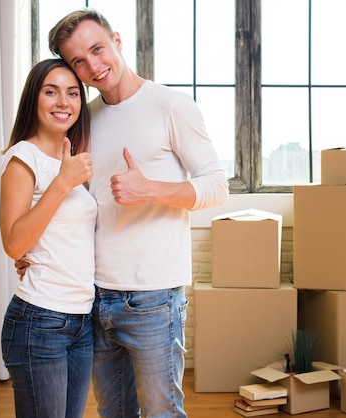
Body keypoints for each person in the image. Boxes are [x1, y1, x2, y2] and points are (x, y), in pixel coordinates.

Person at [23, 8, 229, 418]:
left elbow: (217, 185)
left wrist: (150, 188)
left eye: (97, 50)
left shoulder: (172, 105)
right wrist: (34, 251)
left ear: (117, 40)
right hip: (92, 296)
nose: (93, 66)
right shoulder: (84, 120)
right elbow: (77, 206)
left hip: (152, 297)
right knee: (113, 412)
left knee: (161, 412)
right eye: (78, 61)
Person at [0, 58, 95, 418]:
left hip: (81, 320)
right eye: (50, 91)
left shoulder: (69, 157)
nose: (63, 102)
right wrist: (63, 183)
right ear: (33, 99)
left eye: (72, 93)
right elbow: (13, 243)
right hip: (40, 321)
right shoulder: (23, 158)